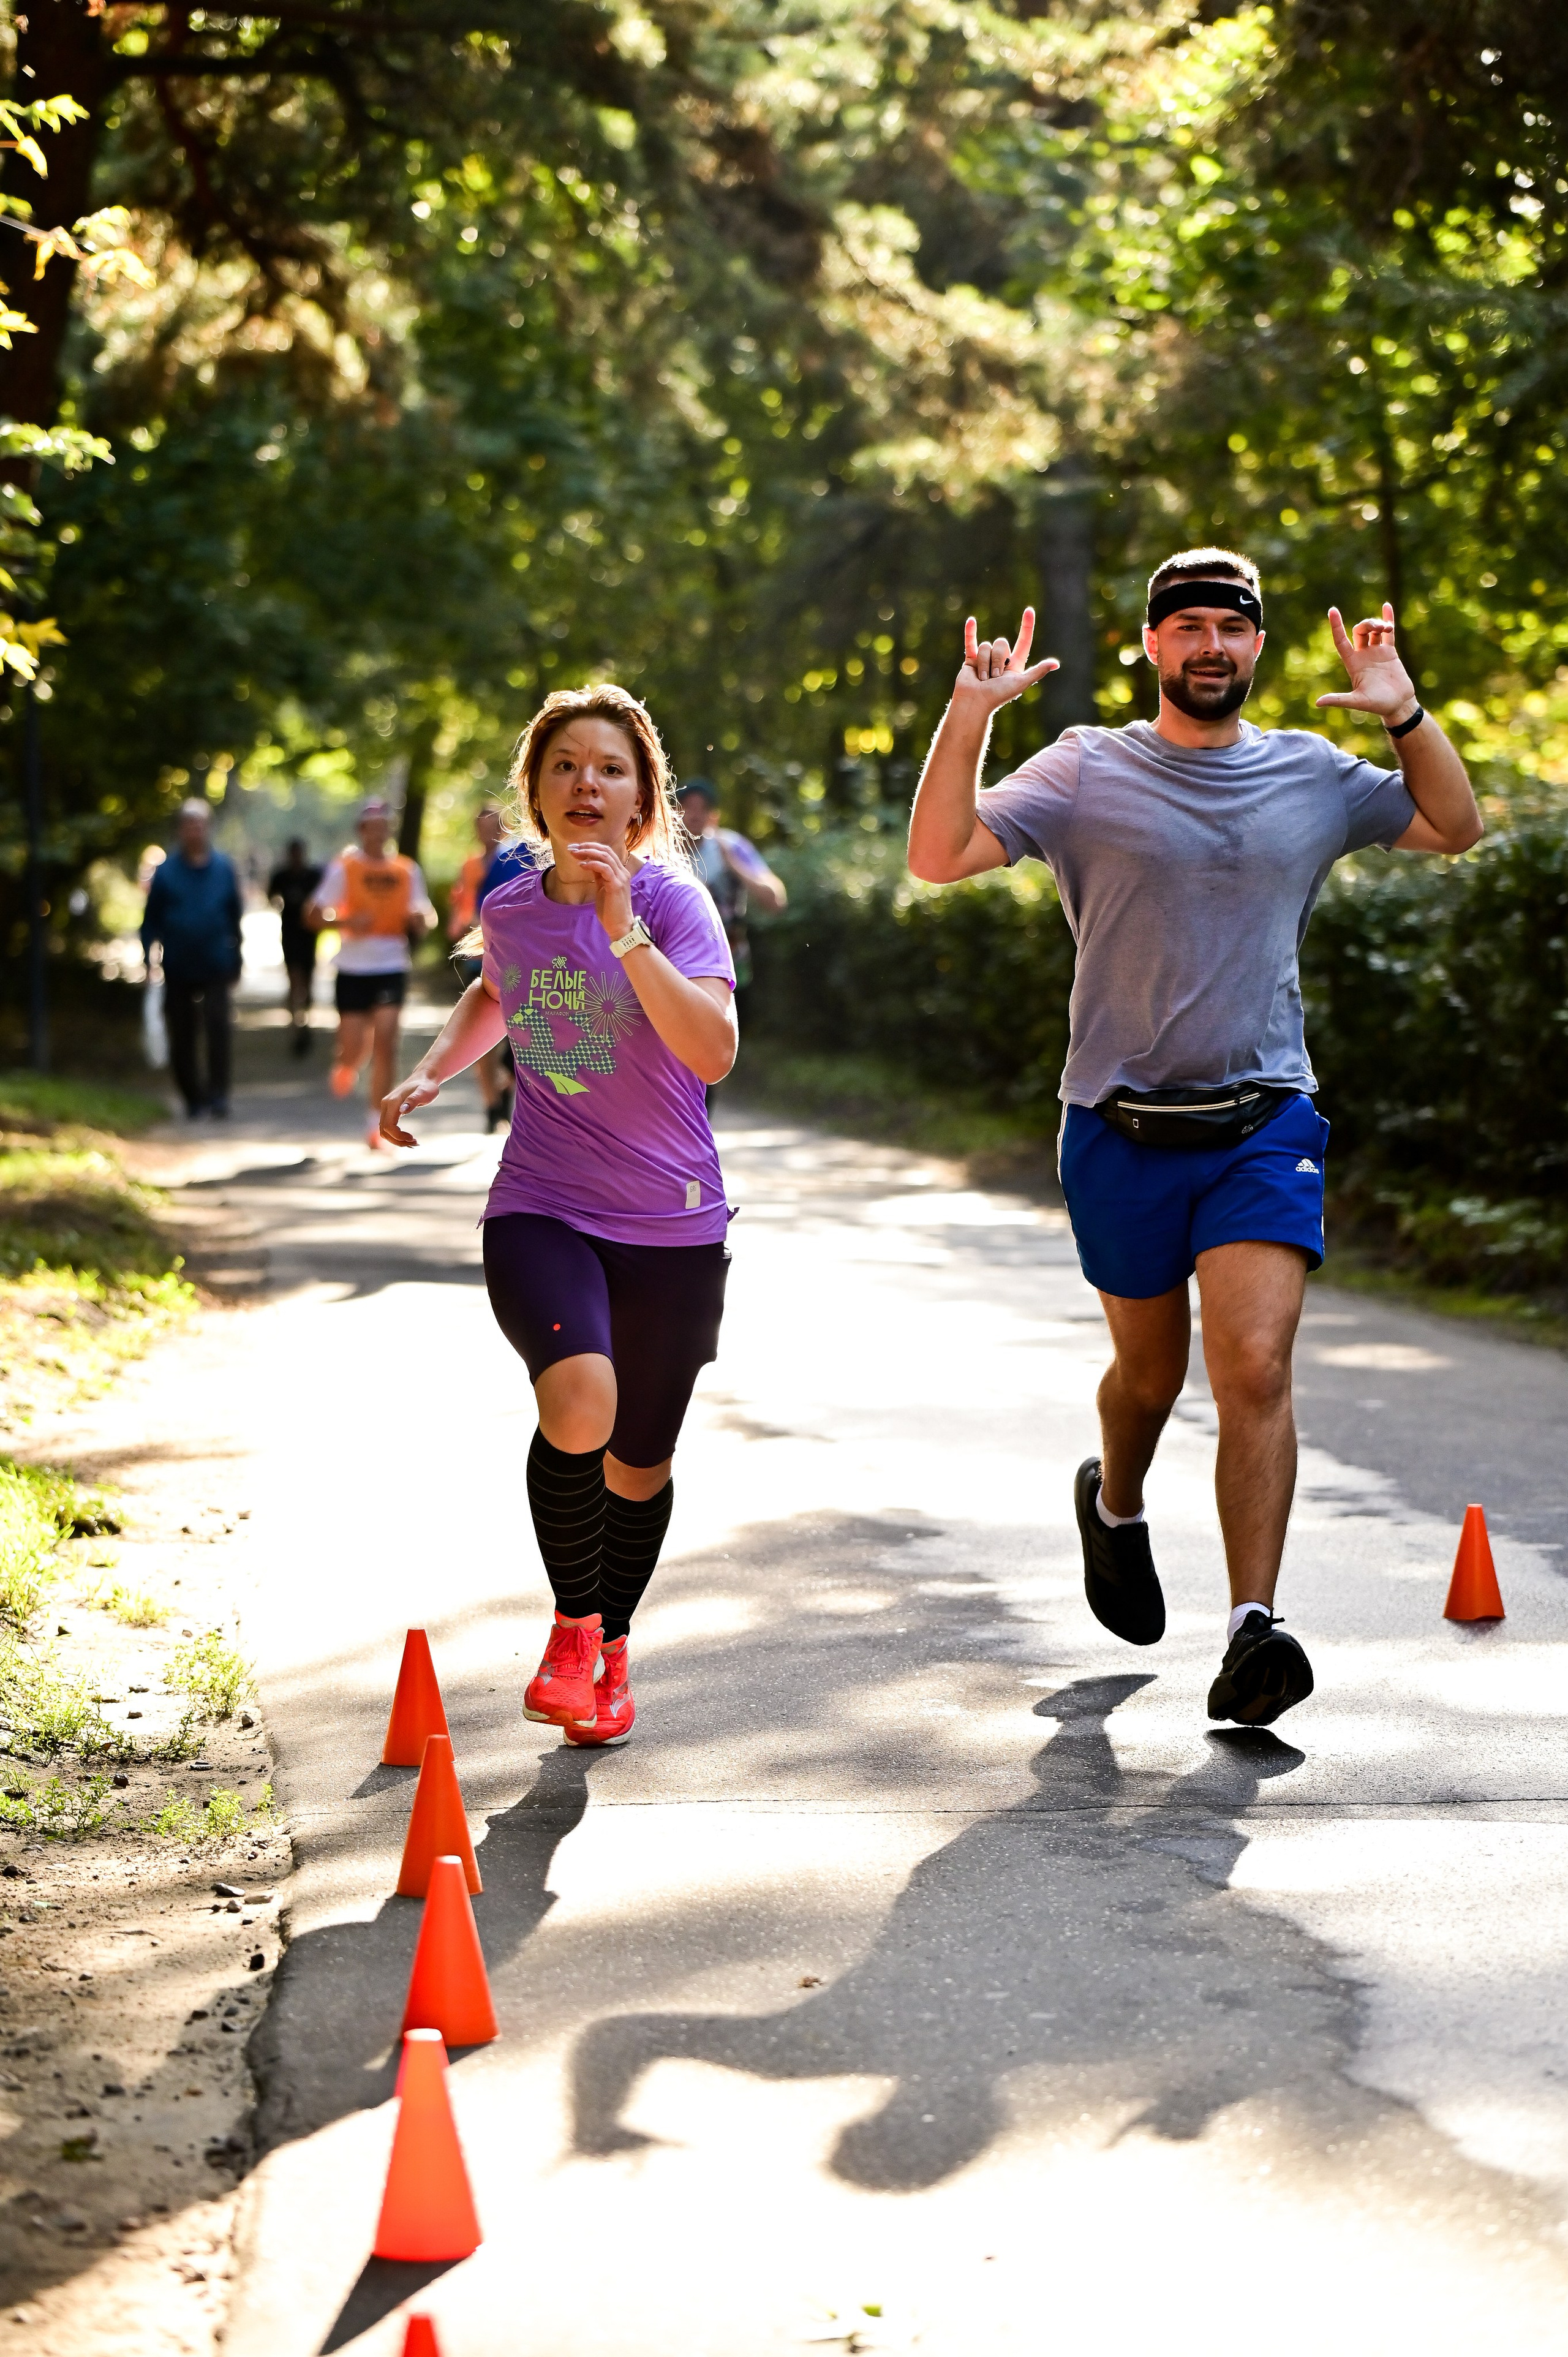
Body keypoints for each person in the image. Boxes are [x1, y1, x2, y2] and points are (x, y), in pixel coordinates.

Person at [907, 549, 1483, 1728]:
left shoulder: (1314, 775)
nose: (1212, 645)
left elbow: (1454, 825)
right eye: (1189, 627)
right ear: (1154, 646)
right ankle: (1115, 1503)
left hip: (1264, 1121)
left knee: (1255, 1367)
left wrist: (1405, 711)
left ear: (1259, 647)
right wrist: (969, 715)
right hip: (1116, 1125)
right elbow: (938, 856)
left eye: (1233, 626)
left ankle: (1251, 1631)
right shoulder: (1086, 769)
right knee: (1150, 1377)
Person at [380, 684, 737, 1747]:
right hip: (542, 1203)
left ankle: (614, 1648)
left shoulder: (676, 905)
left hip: (673, 1223)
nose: (589, 780)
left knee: (639, 1464)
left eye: (612, 766)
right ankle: (574, 1628)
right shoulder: (511, 904)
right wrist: (434, 1070)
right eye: (568, 764)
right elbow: (499, 988)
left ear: (641, 798)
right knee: (578, 1402)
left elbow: (714, 1050)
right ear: (536, 791)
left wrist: (625, 931)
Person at [304, 797, 436, 1147]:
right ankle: (345, 1065)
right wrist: (347, 921)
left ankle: (374, 1123)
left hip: (391, 964)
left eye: (385, 828)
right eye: (372, 827)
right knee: (354, 1048)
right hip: (352, 967)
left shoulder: (406, 870)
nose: (379, 834)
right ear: (362, 831)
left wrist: (420, 920)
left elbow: (424, 913)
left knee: (386, 1044)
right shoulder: (344, 868)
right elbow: (314, 915)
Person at [140, 799, 244, 1119]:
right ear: (180, 830)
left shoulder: (224, 868)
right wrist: (148, 957)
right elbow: (151, 919)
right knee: (182, 1032)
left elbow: (234, 916)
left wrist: (237, 956)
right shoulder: (167, 872)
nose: (194, 831)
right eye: (188, 824)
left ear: (208, 828)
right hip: (178, 965)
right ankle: (193, 1097)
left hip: (216, 963)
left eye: (200, 824)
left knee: (218, 1029)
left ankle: (218, 1096)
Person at [448, 805, 537, 1131]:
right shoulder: (471, 866)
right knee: (482, 1038)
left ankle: (504, 1089)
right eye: (482, 828)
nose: (488, 833)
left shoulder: (518, 857)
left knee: (515, 1042)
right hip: (480, 957)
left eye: (494, 827)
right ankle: (490, 1104)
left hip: (518, 961)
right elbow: (464, 909)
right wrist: (468, 926)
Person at [673, 779, 786, 1019]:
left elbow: (776, 900)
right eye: (687, 807)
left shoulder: (731, 846)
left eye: (703, 807)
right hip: (677, 965)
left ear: (713, 815)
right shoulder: (660, 852)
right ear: (673, 812)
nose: (695, 815)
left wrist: (734, 866)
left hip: (730, 964)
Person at [268, 837, 323, 1057]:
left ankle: (306, 1018)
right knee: (294, 978)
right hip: (290, 933)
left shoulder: (313, 876)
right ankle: (296, 1024)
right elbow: (271, 896)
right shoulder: (281, 876)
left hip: (309, 935)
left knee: (308, 980)